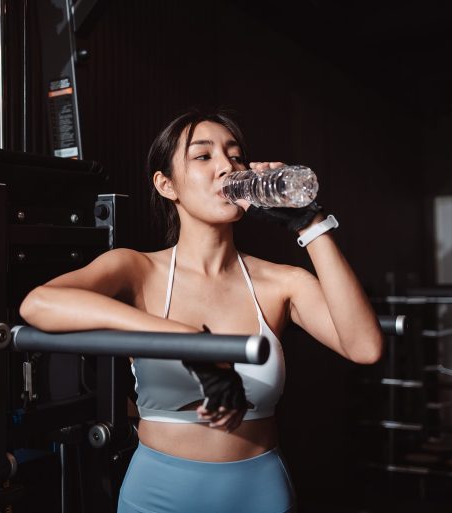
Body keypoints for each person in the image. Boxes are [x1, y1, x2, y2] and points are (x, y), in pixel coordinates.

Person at [19, 109, 383, 513]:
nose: (227, 166)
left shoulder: (283, 283)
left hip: (259, 494)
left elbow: (364, 347)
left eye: (235, 155)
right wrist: (187, 339)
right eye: (203, 156)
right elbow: (38, 304)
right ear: (166, 184)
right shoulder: (137, 269)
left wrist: (311, 224)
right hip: (157, 495)